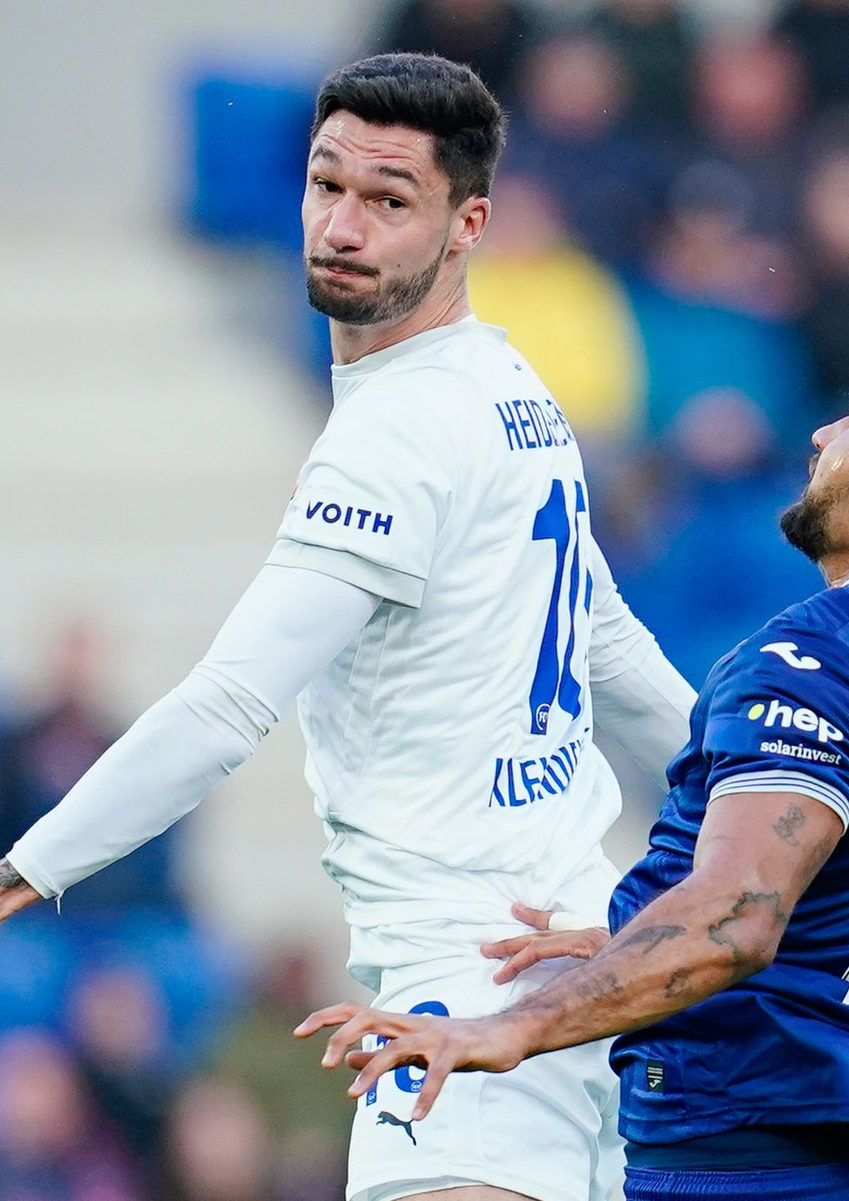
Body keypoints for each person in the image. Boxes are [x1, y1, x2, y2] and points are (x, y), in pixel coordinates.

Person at [0, 53, 696, 1201]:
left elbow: (228, 707)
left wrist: (27, 868)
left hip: (467, 992)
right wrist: (746, 796)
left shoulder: (394, 435)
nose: (343, 224)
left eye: (389, 200)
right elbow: (606, 644)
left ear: (468, 223)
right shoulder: (510, 387)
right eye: (328, 186)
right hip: (584, 960)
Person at [298, 360, 849, 1200]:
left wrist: (508, 1028)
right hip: (836, 1162)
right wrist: (639, 930)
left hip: (733, 1165)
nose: (822, 435)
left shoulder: (816, 658)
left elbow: (738, 918)